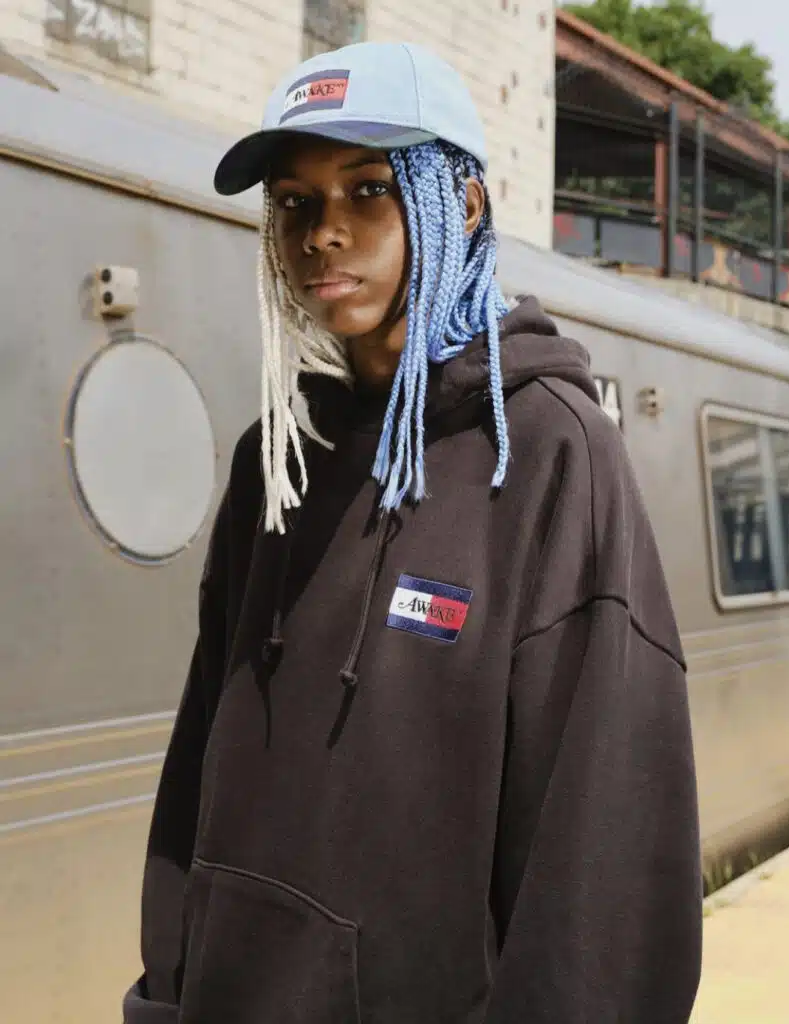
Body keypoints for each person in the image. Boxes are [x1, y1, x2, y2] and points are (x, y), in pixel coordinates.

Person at [123, 40, 703, 1024]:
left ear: (461, 205)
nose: (323, 235)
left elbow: (604, 858)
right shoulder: (277, 456)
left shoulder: (552, 454)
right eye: (296, 203)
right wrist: (167, 991)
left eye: (368, 190)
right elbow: (201, 769)